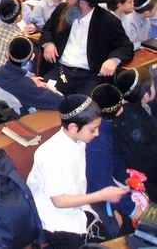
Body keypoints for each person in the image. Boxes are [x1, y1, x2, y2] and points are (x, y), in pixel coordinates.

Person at [27, 94, 127, 248]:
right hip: (56, 222)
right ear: (73, 127)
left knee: (114, 231)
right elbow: (59, 201)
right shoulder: (51, 155)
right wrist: (102, 195)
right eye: (93, 130)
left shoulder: (78, 141)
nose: (97, 134)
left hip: (78, 208)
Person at [41, 0, 134, 96]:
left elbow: (125, 46)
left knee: (86, 106)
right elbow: (47, 29)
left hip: (90, 75)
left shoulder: (108, 21)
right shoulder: (62, 10)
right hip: (60, 70)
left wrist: (113, 60)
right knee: (43, 96)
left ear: (83, 2)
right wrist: (48, 43)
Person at [86, 84, 140, 238]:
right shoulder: (97, 142)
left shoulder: (105, 128)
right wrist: (133, 210)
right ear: (119, 109)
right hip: (93, 195)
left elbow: (114, 159)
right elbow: (99, 182)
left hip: (107, 184)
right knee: (122, 228)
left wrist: (126, 178)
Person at [0, 36, 62, 115]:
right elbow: (60, 102)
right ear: (32, 57)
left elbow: (15, 85)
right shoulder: (25, 86)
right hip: (12, 120)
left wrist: (30, 81)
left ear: (7, 54)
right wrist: (53, 90)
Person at [113, 68, 157, 198]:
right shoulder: (135, 123)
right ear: (146, 94)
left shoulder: (131, 110)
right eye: (153, 85)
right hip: (150, 183)